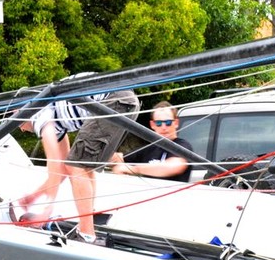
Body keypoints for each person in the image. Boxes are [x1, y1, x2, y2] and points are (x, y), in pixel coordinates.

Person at [18, 88, 139, 242]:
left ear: (21, 110)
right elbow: (60, 170)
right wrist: (35, 196)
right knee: (83, 165)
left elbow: (55, 162)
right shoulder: (55, 121)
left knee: (77, 165)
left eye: (17, 121)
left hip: (114, 100)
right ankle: (89, 224)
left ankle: (86, 233)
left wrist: (46, 212)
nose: (21, 129)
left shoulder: (37, 114)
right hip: (126, 102)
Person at [111, 102, 192, 182]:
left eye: (168, 122)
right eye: (159, 123)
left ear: (176, 123)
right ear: (152, 125)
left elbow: (175, 167)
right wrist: (111, 159)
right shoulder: (149, 149)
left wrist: (132, 169)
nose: (163, 127)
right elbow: (120, 158)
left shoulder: (183, 146)